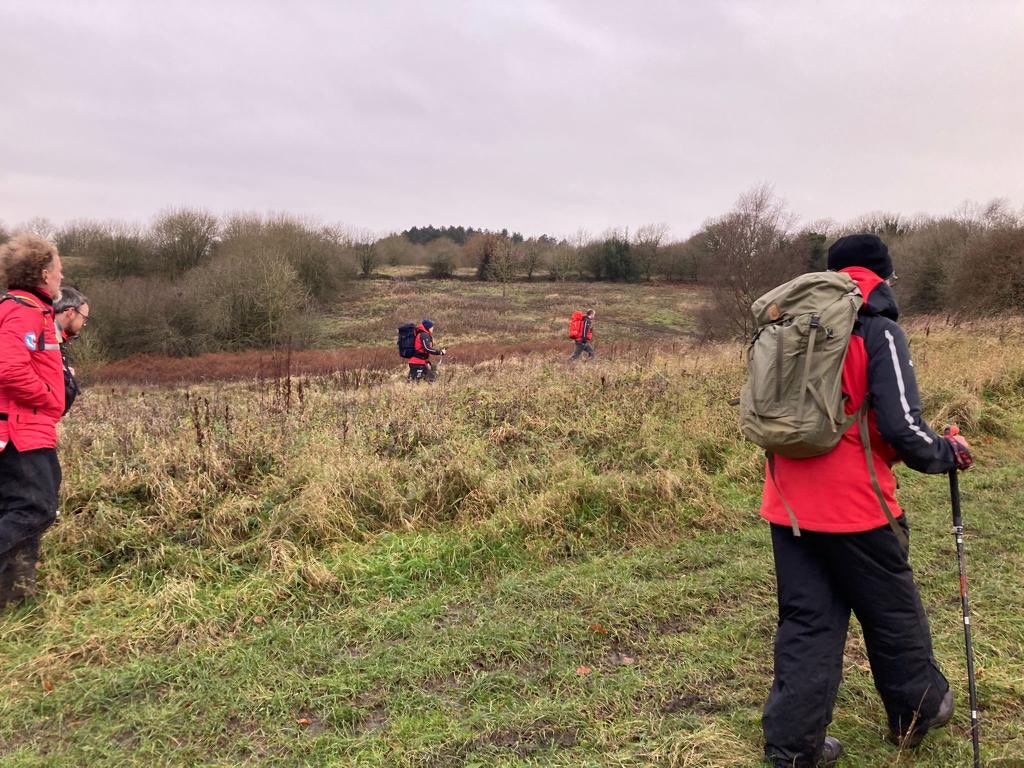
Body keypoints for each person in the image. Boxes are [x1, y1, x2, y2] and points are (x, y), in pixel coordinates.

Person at [760, 234, 974, 767]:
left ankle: (793, 750)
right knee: (892, 615)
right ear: (883, 276)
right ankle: (918, 711)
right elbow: (903, 428)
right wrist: (947, 452)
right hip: (858, 507)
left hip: (787, 505)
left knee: (807, 623)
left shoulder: (791, 324)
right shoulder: (879, 331)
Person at [0, 233, 66, 610]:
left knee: (21, 508)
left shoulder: (28, 309)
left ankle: (15, 593)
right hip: (20, 431)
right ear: (43, 273)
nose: (61, 275)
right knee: (36, 507)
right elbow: (9, 369)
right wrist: (50, 396)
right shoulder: (23, 311)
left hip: (25, 428)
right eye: (58, 268)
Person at [53, 286, 89, 415]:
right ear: (71, 313)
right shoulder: (47, 338)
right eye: (84, 318)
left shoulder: (58, 340)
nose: (84, 324)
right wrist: (64, 378)